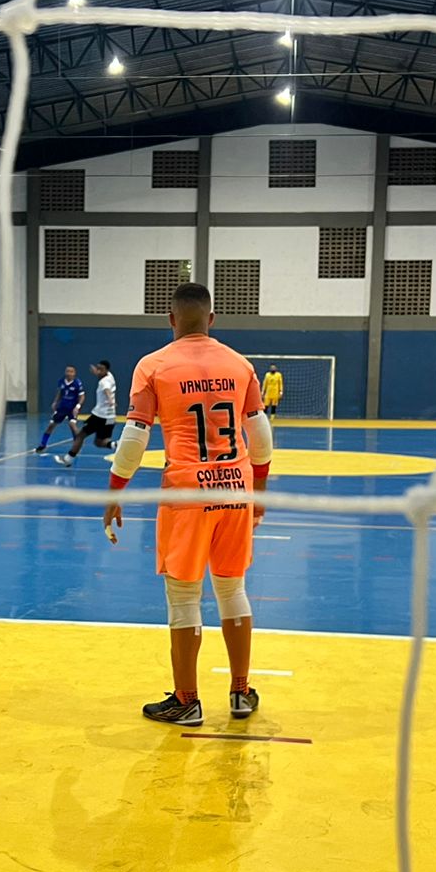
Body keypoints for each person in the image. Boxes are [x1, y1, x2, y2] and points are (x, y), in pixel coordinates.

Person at [102, 281, 273, 727]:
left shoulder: (153, 366)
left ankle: (187, 699)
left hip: (186, 492)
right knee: (232, 589)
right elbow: (260, 436)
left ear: (172, 319)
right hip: (234, 487)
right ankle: (239, 691)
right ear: (212, 319)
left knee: (183, 597)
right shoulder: (239, 364)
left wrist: (115, 492)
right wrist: (258, 492)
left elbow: (136, 437)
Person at [56, 360, 118, 466]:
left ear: (106, 370)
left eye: (101, 370)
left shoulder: (104, 382)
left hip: (99, 416)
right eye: (97, 369)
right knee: (99, 442)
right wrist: (97, 372)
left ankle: (68, 459)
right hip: (111, 416)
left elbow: (107, 390)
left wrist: (111, 400)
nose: (98, 371)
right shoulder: (110, 376)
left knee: (80, 435)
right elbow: (102, 377)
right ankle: (116, 445)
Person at [37, 365, 84, 453]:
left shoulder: (77, 383)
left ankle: (77, 445)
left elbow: (82, 396)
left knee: (72, 425)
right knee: (51, 425)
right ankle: (43, 444)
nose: (69, 373)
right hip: (62, 408)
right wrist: (55, 402)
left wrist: (78, 406)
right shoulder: (61, 381)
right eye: (67, 371)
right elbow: (59, 393)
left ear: (74, 373)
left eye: (71, 371)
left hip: (72, 409)